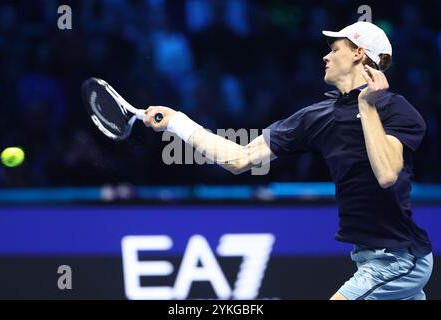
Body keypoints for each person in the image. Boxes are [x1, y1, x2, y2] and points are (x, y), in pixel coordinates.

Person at [142, 21, 433, 300]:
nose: (325, 55)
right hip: (366, 256)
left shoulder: (396, 110)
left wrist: (366, 107)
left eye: (335, 49)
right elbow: (239, 158)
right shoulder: (317, 117)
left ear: (358, 53)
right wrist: (176, 122)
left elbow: (386, 174)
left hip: (399, 259)